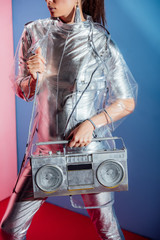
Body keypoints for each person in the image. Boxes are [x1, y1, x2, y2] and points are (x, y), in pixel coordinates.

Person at [0, 0, 138, 239]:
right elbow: (23, 92)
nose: (48, 0)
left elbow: (126, 101)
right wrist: (33, 78)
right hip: (46, 153)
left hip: (88, 153)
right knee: (10, 228)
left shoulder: (99, 42)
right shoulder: (34, 32)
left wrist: (90, 124)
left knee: (108, 231)